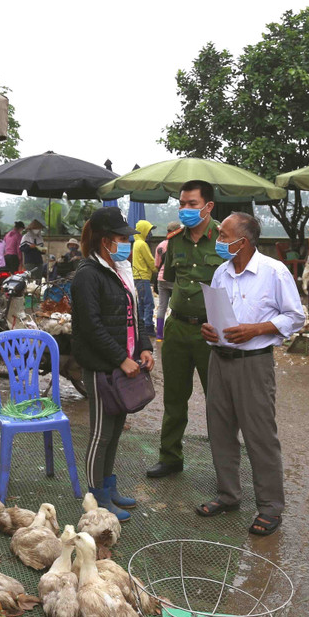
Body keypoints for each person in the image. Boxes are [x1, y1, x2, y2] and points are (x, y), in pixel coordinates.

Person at [198, 213, 304, 536]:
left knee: (260, 436)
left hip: (254, 364)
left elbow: (295, 317)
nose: (218, 237)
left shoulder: (274, 272)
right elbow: (216, 315)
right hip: (219, 360)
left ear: (242, 241)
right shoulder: (221, 272)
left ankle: (270, 507)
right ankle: (229, 495)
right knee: (220, 430)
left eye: (223, 234)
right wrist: (209, 331)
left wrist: (257, 329)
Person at [71, 206, 154, 522]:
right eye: (122, 238)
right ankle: (95, 497)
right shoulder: (88, 275)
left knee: (116, 430)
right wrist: (120, 359)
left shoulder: (119, 271)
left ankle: (108, 487)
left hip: (124, 363)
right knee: (100, 434)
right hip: (102, 366)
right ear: (105, 241)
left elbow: (134, 316)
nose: (127, 243)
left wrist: (143, 348)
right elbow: (91, 326)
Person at [146, 180, 224, 478]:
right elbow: (171, 280)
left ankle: (223, 464)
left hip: (210, 331)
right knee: (174, 397)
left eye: (192, 204)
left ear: (208, 206)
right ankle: (170, 457)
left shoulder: (224, 237)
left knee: (217, 400)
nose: (185, 210)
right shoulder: (175, 240)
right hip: (177, 327)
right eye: (182, 204)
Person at [152, 221, 180, 340]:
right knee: (176, 307)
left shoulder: (160, 245)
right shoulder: (179, 245)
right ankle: (173, 333)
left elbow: (157, 264)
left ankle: (159, 334)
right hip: (175, 279)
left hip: (161, 279)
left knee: (162, 307)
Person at [132, 219, 157, 337]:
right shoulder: (142, 244)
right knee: (149, 304)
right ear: (143, 231)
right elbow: (151, 261)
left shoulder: (136, 243)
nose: (150, 234)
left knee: (141, 303)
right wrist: (159, 270)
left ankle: (141, 327)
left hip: (137, 277)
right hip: (143, 277)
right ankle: (148, 327)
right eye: (148, 231)